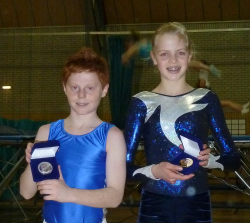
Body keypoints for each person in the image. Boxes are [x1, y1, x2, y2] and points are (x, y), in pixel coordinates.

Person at [124, 22, 241, 223]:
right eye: (164, 54)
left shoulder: (207, 99)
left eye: (180, 52)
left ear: (189, 55)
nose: (173, 60)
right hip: (155, 205)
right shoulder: (142, 103)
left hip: (196, 205)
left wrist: (211, 160)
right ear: (153, 57)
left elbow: (233, 159)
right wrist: (153, 170)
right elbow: (122, 168)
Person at [20, 47, 126, 223]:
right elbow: (26, 192)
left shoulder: (112, 136)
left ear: (104, 90)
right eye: (74, 87)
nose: (81, 95)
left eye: (90, 88)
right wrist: (33, 162)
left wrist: (68, 194)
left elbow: (115, 197)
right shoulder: (46, 132)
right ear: (64, 88)